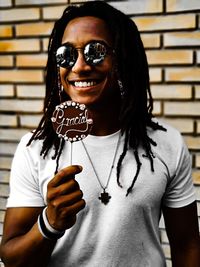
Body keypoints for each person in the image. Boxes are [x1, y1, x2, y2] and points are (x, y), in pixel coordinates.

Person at [0, 1, 200, 266]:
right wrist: (49, 223)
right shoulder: (36, 148)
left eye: (96, 51)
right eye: (66, 54)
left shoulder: (166, 144)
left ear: (124, 59)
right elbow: (12, 257)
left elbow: (187, 245)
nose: (80, 66)